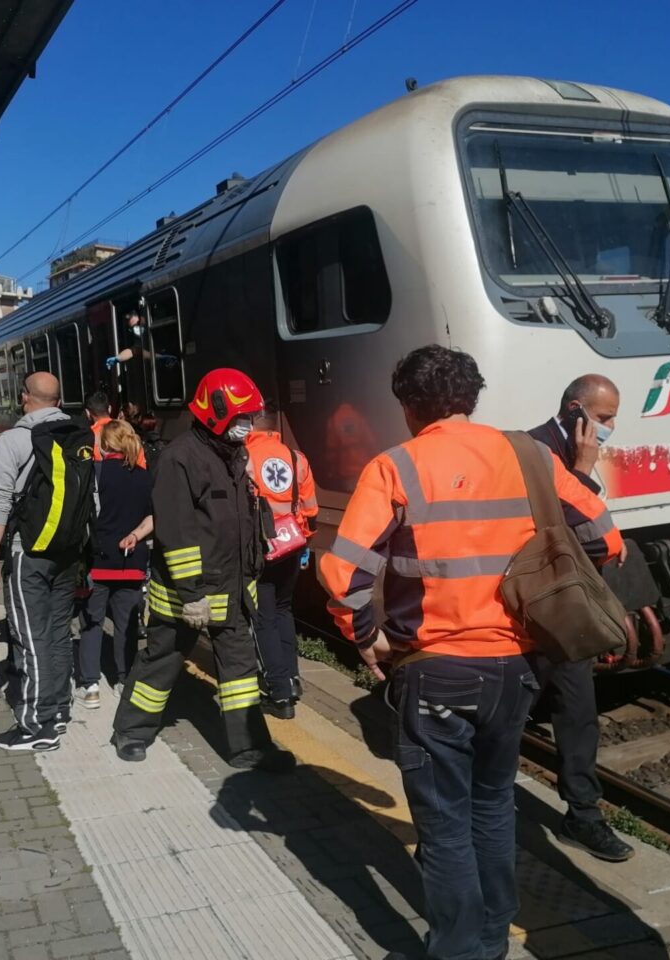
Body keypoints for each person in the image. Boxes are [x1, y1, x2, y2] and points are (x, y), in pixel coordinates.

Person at [319, 345, 622, 960]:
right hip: (514, 670)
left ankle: (458, 950)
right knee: (493, 806)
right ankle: (493, 936)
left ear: (408, 406)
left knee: (446, 824)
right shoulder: (532, 455)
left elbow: (342, 573)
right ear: (471, 397)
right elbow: (606, 542)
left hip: (434, 674)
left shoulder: (395, 466)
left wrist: (365, 636)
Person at [111, 368, 295, 773]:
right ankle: (131, 731)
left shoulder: (234, 455)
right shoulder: (180, 459)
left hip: (230, 587)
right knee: (161, 662)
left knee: (240, 672)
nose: (249, 424)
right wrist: (192, 594)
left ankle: (249, 749)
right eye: (242, 416)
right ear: (216, 413)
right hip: (186, 594)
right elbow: (176, 532)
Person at [527, 375, 635, 862]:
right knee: (508, 712)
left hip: (565, 606)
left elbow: (593, 529)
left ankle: (584, 816)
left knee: (577, 712)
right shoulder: (537, 453)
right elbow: (576, 528)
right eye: (605, 417)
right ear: (576, 410)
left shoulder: (571, 452)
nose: (611, 426)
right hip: (531, 607)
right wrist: (586, 470)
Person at [0, 372, 95, 752]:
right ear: (59, 401)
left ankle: (36, 725)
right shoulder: (79, 436)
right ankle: (59, 709)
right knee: (59, 632)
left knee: (30, 635)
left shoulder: (13, 440)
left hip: (28, 550)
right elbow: (93, 501)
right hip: (68, 551)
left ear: (24, 398)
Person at [246, 401, 319, 718]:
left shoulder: (243, 459)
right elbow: (311, 509)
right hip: (291, 546)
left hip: (260, 548)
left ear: (251, 423)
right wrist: (303, 543)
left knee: (263, 618)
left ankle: (278, 691)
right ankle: (292, 677)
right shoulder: (296, 458)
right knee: (284, 610)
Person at [77, 419, 153, 704]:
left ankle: (91, 686)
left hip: (97, 560)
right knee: (127, 625)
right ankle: (125, 680)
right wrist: (134, 535)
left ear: (105, 444)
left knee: (91, 622)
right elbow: (153, 516)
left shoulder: (94, 473)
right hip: (131, 561)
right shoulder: (144, 476)